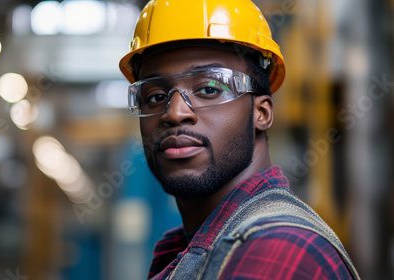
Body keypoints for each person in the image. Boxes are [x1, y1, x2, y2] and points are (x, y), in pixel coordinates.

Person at [118, 0, 361, 279]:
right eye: (156, 97)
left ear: (262, 112)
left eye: (209, 88)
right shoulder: (198, 248)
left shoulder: (273, 251)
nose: (174, 113)